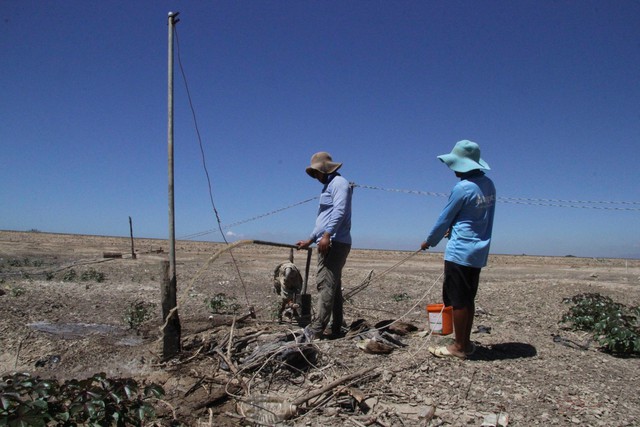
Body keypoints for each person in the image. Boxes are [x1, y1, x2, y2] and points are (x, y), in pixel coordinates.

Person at [421, 140, 496, 359]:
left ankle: (460, 347)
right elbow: (472, 216)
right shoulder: (488, 184)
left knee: (458, 300)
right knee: (467, 298)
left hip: (460, 251)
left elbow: (444, 218)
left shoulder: (462, 188)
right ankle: (465, 342)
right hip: (478, 250)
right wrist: (453, 228)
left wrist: (430, 241)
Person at [296, 152, 353, 341]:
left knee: (326, 284)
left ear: (323, 170)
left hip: (334, 242)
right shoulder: (329, 186)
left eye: (316, 173)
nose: (315, 177)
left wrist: (327, 235)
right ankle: (336, 326)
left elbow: (340, 210)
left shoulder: (339, 184)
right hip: (327, 241)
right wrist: (311, 239)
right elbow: (323, 219)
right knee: (333, 286)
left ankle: (317, 328)